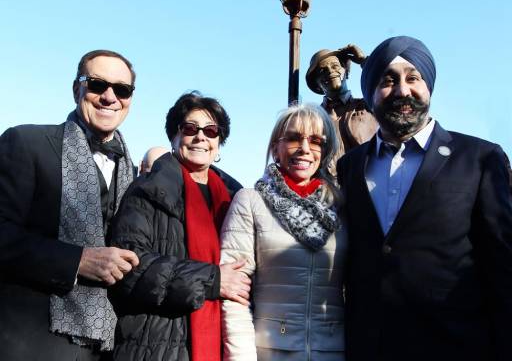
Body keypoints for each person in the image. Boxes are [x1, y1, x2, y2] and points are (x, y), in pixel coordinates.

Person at [337, 36, 512, 361]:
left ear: (428, 86)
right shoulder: (350, 166)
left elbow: (503, 271)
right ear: (372, 93)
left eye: (412, 78)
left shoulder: (479, 159)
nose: (403, 90)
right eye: (388, 80)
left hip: (456, 348)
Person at [0, 49, 140, 361]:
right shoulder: (24, 142)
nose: (109, 97)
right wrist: (76, 261)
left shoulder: (135, 172)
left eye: (121, 89)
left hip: (109, 346)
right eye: (96, 84)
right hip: (33, 344)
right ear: (76, 88)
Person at [108, 91, 250, 361]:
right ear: (174, 136)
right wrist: (212, 280)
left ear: (219, 142)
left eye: (210, 131)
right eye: (190, 128)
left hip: (227, 343)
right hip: (157, 345)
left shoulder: (236, 198)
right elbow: (128, 268)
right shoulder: (146, 191)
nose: (201, 137)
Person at [221, 104, 347, 360]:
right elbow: (234, 294)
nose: (304, 148)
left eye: (316, 141)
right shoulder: (251, 201)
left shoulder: (342, 207)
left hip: (333, 351)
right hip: (269, 351)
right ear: (275, 148)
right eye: (293, 138)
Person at [306, 44, 378, 177]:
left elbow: (388, 86)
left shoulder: (369, 105)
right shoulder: (311, 119)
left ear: (347, 71)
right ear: (317, 84)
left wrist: (365, 61)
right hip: (327, 193)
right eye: (322, 70)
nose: (329, 71)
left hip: (370, 188)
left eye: (335, 66)